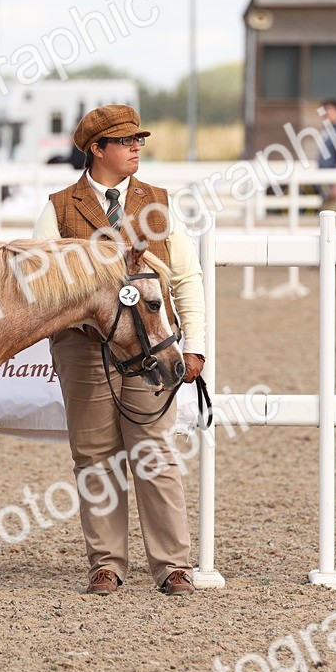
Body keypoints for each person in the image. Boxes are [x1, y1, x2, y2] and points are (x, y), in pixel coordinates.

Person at [33, 104, 206, 598]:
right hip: (84, 348)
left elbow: (186, 277)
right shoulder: (59, 208)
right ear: (96, 149)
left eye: (138, 140)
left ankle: (173, 565)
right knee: (94, 457)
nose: (136, 148)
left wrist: (195, 345)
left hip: (151, 346)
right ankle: (105, 563)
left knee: (155, 452)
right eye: (125, 141)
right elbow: (39, 283)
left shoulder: (159, 203)